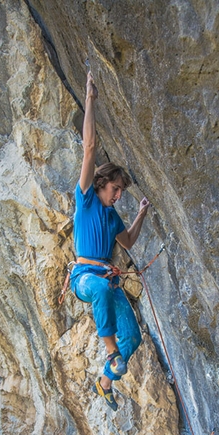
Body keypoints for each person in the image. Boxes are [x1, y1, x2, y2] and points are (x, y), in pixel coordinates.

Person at [70, 71, 150, 411]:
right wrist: (90, 99)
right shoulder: (86, 198)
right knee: (101, 290)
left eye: (121, 191)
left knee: (133, 335)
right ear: (102, 183)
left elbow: (128, 241)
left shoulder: (114, 216)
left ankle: (104, 383)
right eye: (115, 188)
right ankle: (110, 351)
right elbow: (89, 148)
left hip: (108, 278)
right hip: (84, 278)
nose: (118, 195)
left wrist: (142, 211)